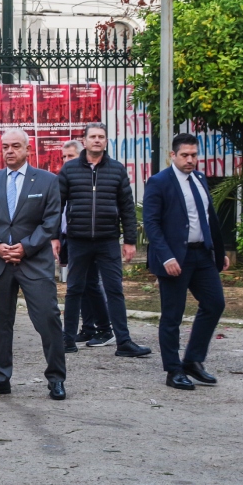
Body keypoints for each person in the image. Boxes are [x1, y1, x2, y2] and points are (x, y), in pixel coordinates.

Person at [0, 128, 67, 401]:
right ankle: (0, 377)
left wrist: (25, 247)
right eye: (5, 147)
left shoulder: (47, 181)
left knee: (48, 319)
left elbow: (51, 221)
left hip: (33, 262)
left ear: (27, 149)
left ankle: (56, 378)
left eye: (15, 146)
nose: (9, 151)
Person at [143, 133, 228, 391]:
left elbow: (209, 218)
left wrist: (218, 251)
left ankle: (193, 360)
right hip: (174, 258)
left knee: (215, 304)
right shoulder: (159, 182)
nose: (190, 160)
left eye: (194, 155)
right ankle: (173, 370)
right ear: (173, 155)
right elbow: (152, 224)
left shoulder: (200, 179)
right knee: (172, 315)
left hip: (202, 254)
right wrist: (166, 256)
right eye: (185, 155)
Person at [59, 124, 151, 358]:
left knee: (114, 291)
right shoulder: (69, 170)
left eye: (101, 137)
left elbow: (127, 208)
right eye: (93, 137)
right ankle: (67, 340)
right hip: (78, 240)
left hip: (108, 240)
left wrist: (130, 240)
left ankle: (124, 342)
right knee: (74, 290)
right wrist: (53, 238)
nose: (97, 140)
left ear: (106, 141)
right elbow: (56, 206)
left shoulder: (117, 170)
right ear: (85, 140)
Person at [58, 140, 112, 345]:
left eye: (70, 156)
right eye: (63, 157)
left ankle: (105, 328)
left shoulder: (90, 180)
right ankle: (89, 328)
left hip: (91, 240)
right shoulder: (66, 179)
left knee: (88, 285)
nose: (65, 161)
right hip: (70, 237)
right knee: (85, 285)